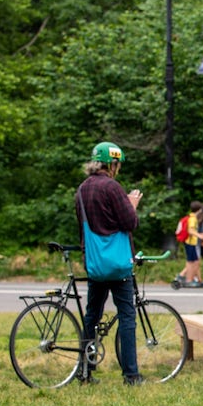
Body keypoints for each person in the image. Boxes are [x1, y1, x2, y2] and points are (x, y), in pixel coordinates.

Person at [75, 141, 144, 385]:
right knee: (127, 315)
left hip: (95, 263)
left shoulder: (82, 189)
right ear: (112, 164)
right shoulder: (112, 187)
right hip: (116, 264)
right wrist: (132, 205)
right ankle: (131, 375)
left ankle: (85, 372)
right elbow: (129, 222)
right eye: (118, 164)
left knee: (91, 315)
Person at [180, 201, 203, 286]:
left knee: (194, 261)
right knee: (191, 262)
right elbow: (190, 230)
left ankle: (190, 279)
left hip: (192, 242)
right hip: (190, 243)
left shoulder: (193, 218)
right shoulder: (193, 219)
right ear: (199, 210)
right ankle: (188, 280)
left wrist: (202, 235)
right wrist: (200, 236)